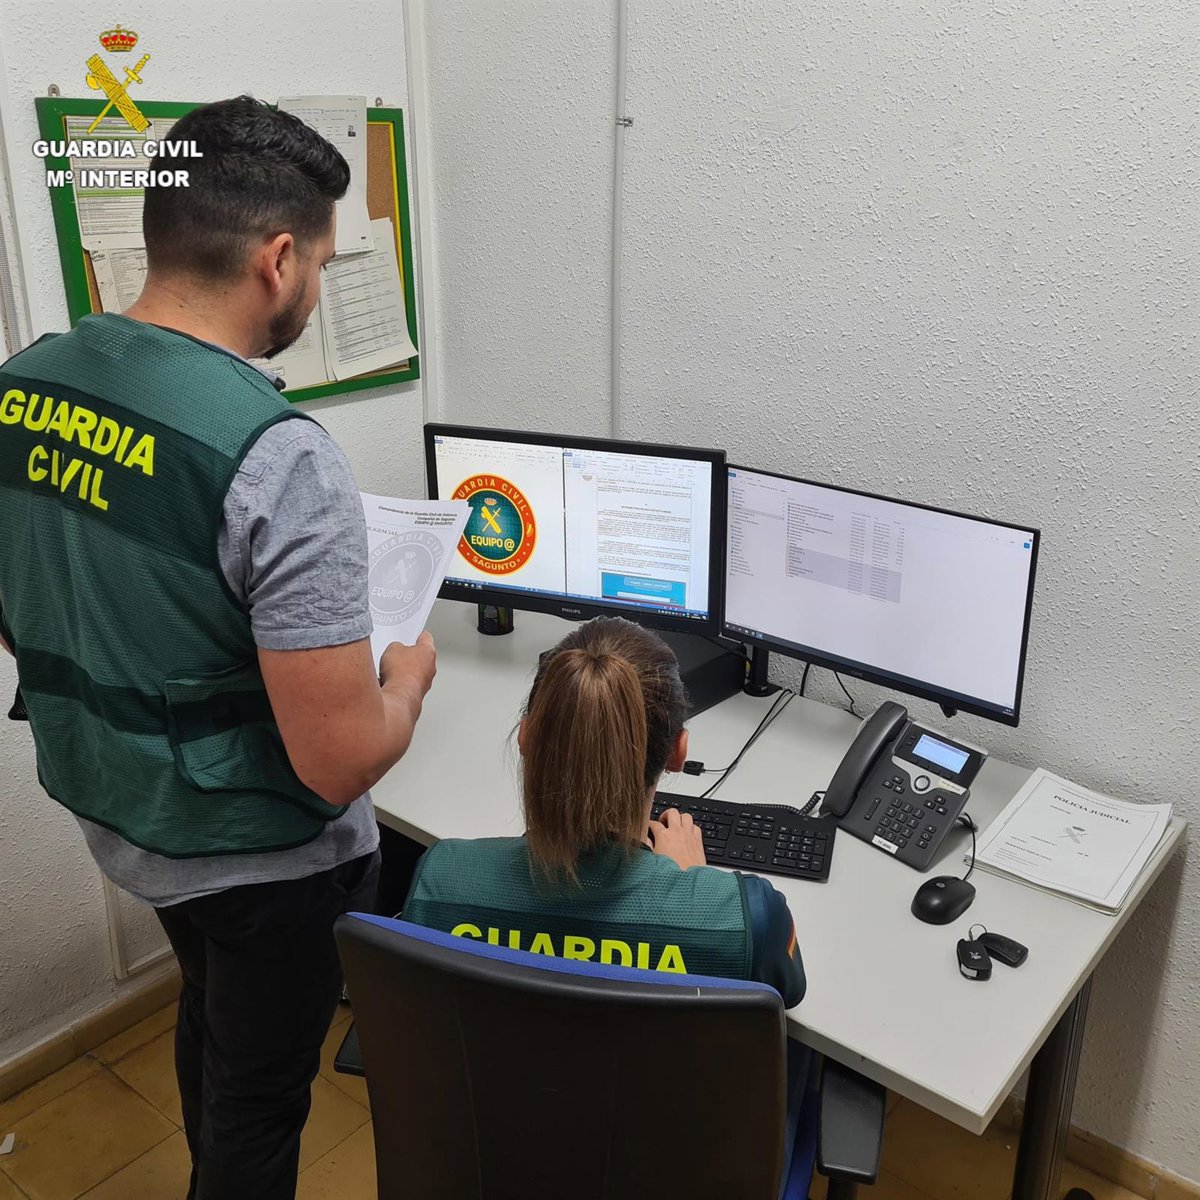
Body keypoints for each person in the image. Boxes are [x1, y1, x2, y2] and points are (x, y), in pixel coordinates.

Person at [0, 96, 435, 1200]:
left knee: (211, 1009)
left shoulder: (26, 384)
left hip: (120, 804)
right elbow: (338, 762)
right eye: (323, 264)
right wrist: (405, 681)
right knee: (260, 1101)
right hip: (258, 856)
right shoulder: (277, 453)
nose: (316, 285)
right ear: (277, 260)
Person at [402, 616, 805, 1004]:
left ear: (526, 737)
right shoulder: (751, 918)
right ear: (678, 753)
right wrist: (690, 885)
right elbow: (789, 992)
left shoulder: (440, 880)